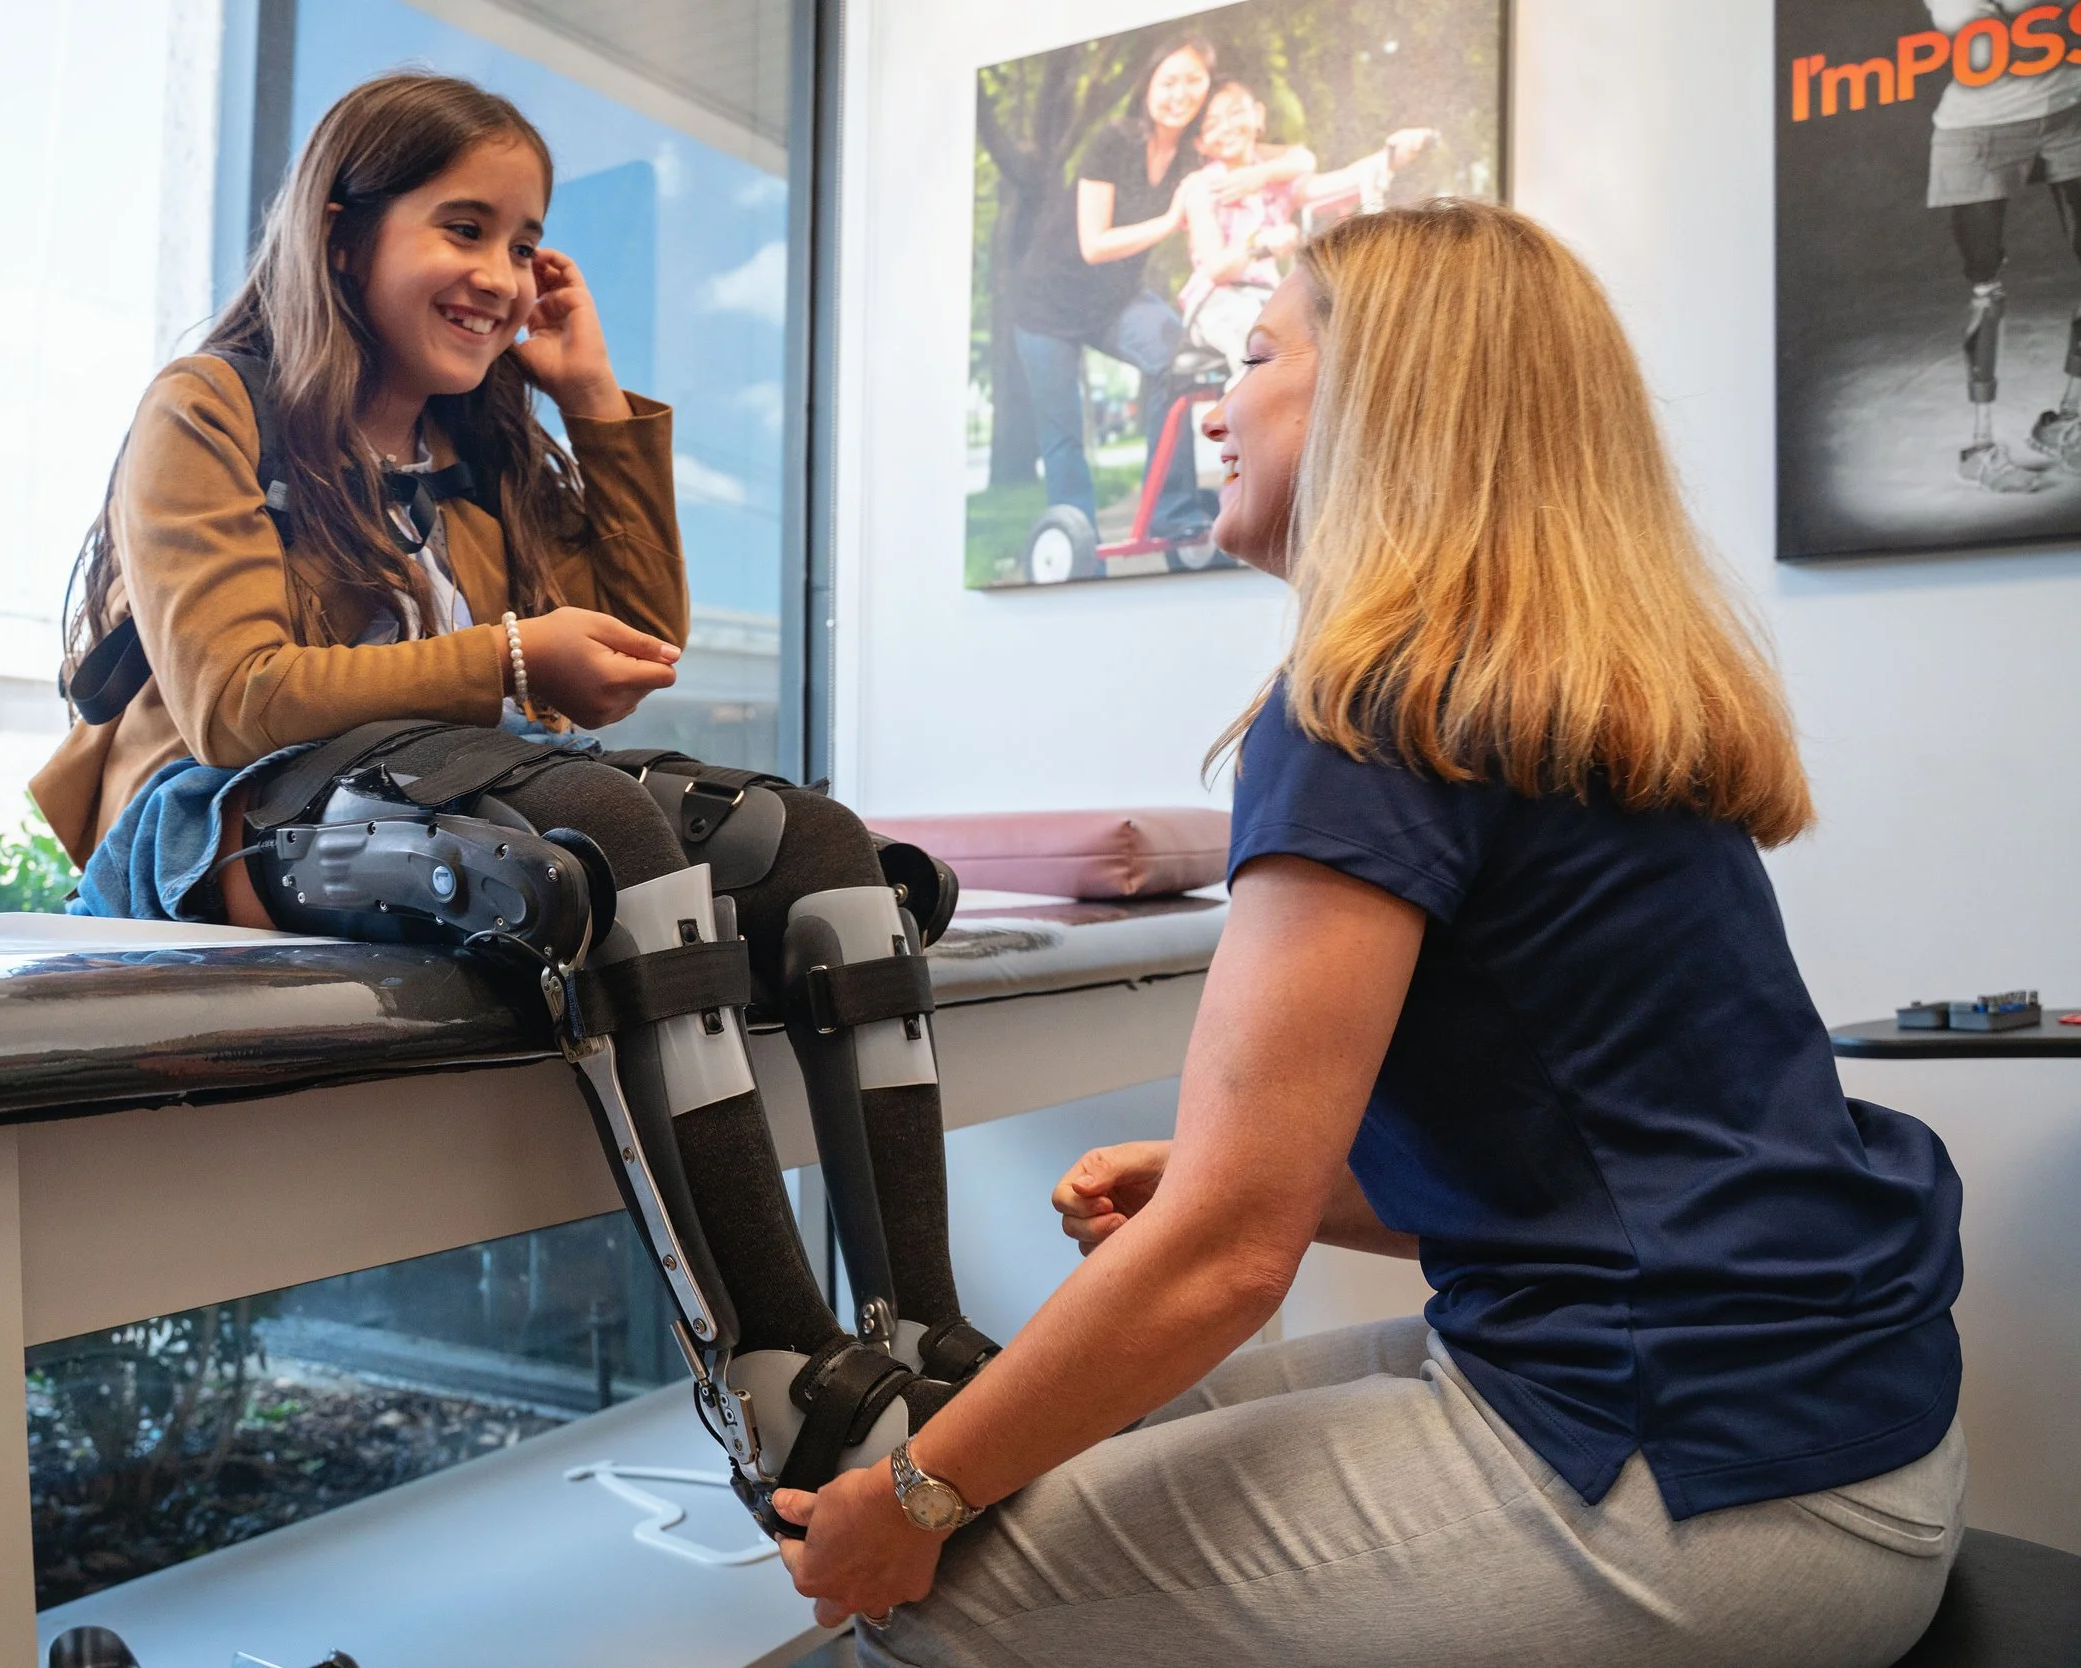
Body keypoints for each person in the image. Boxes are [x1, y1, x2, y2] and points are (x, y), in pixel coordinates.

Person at [776, 200, 1966, 1668]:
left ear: (1385, 400)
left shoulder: (1373, 706)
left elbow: (1224, 1261)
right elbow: (1588, 1177)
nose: (1211, 402)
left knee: (939, 1588)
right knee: (1081, 1443)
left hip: (1707, 1485)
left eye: (1259, 352)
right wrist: (1266, 1180)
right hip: (1841, 1434)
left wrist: (909, 1494)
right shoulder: (1562, 698)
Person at [30, 72, 997, 1531]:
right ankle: (791, 1384)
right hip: (229, 815)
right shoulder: (211, 407)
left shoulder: (473, 448)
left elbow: (635, 642)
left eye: (521, 243)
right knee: (596, 834)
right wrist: (500, 658)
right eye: (462, 229)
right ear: (342, 230)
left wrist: (592, 399)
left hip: (429, 787)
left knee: (828, 847)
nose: (495, 278)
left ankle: (924, 1341)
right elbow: (234, 697)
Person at [1005, 35, 1232, 533]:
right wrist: (1173, 218)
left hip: (1115, 302)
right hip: (1048, 304)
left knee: (1179, 362)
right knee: (1063, 435)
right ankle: (1075, 540)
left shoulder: (1194, 156)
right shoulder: (1115, 140)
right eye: (1169, 80)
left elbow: (1258, 149)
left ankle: (1170, 514)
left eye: (1194, 81)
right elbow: (1095, 243)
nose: (1180, 93)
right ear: (1148, 85)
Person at [1922, 0, 2081, 490]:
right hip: (1981, 129)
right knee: (1985, 285)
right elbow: (1973, 29)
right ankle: (1981, 448)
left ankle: (2067, 422)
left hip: (2067, 113)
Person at [1177, 81, 1436, 375]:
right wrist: (1258, 243)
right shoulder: (1202, 187)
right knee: (1260, 351)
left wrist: (1390, 157)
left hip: (1267, 297)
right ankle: (1246, 413)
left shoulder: (1274, 182)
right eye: (1212, 123)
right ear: (1199, 142)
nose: (1226, 127)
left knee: (1327, 336)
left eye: (1236, 112)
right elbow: (1216, 268)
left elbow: (1337, 184)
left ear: (1257, 116)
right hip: (1218, 301)